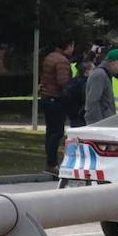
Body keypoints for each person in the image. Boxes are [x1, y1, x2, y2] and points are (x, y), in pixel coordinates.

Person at [39, 39, 75, 174]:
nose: (73, 50)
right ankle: (52, 164)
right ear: (68, 46)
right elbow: (63, 82)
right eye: (72, 46)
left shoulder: (50, 56)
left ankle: (50, 161)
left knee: (50, 132)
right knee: (57, 132)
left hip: (47, 96)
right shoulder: (62, 61)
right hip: (56, 98)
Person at [85, 48, 118, 124]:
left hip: (105, 122)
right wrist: (99, 124)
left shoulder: (105, 74)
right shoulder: (100, 75)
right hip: (100, 125)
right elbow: (93, 101)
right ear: (114, 62)